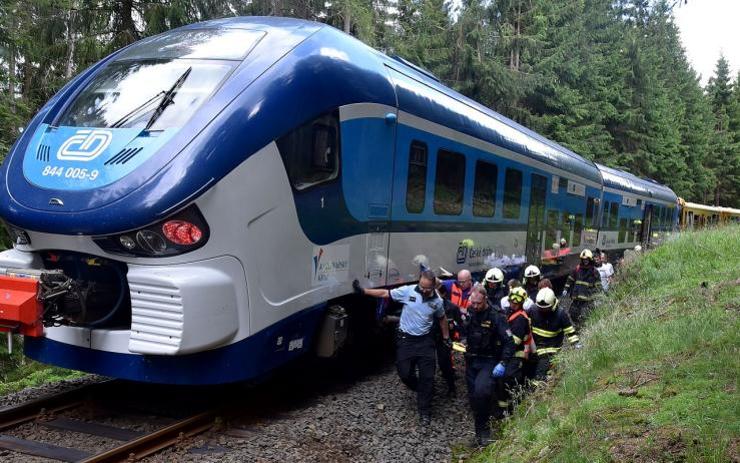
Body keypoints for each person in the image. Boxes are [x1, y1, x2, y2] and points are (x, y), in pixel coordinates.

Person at [353, 271, 450, 425]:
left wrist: (446, 337)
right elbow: (386, 293)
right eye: (422, 287)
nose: (424, 291)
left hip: (425, 342)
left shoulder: (437, 301)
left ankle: (424, 411)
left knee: (428, 377)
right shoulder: (408, 291)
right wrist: (364, 291)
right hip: (407, 340)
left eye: (427, 289)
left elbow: (442, 318)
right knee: (404, 374)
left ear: (433, 287)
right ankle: (423, 390)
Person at [464, 286, 515, 445]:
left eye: (478, 303)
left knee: (482, 393)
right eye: (473, 303)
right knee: (474, 398)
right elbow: (467, 331)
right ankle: (478, 434)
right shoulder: (471, 311)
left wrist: (503, 362)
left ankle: (485, 432)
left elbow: (509, 342)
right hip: (472, 360)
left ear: (485, 299)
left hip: (489, 361)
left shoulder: (496, 316)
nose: (476, 306)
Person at [529, 287, 581, 382]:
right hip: (534, 348)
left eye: (546, 309)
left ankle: (539, 391)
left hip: (552, 349)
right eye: (540, 308)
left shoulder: (560, 314)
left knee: (541, 372)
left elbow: (570, 332)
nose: (543, 311)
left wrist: (576, 344)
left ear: (552, 304)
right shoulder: (532, 310)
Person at [497, 286, 533, 413]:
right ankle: (502, 409)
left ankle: (514, 408)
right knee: (501, 381)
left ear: (522, 303)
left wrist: (499, 341)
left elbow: (514, 342)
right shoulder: (508, 312)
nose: (513, 304)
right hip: (506, 352)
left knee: (509, 378)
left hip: (516, 354)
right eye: (512, 302)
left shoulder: (521, 318)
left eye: (516, 303)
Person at [434, 282, 465, 396]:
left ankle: (451, 387)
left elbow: (461, 324)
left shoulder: (452, 308)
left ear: (443, 295)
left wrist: (460, 338)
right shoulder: (428, 306)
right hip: (431, 337)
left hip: (444, 339)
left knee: (444, 363)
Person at [562, 249, 601, 326]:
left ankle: (583, 328)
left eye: (586, 259)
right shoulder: (577, 269)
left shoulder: (594, 271)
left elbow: (598, 285)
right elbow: (570, 279)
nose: (585, 261)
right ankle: (578, 325)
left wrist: (599, 296)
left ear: (590, 259)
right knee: (572, 313)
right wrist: (565, 289)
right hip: (576, 297)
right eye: (583, 260)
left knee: (585, 315)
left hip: (587, 299)